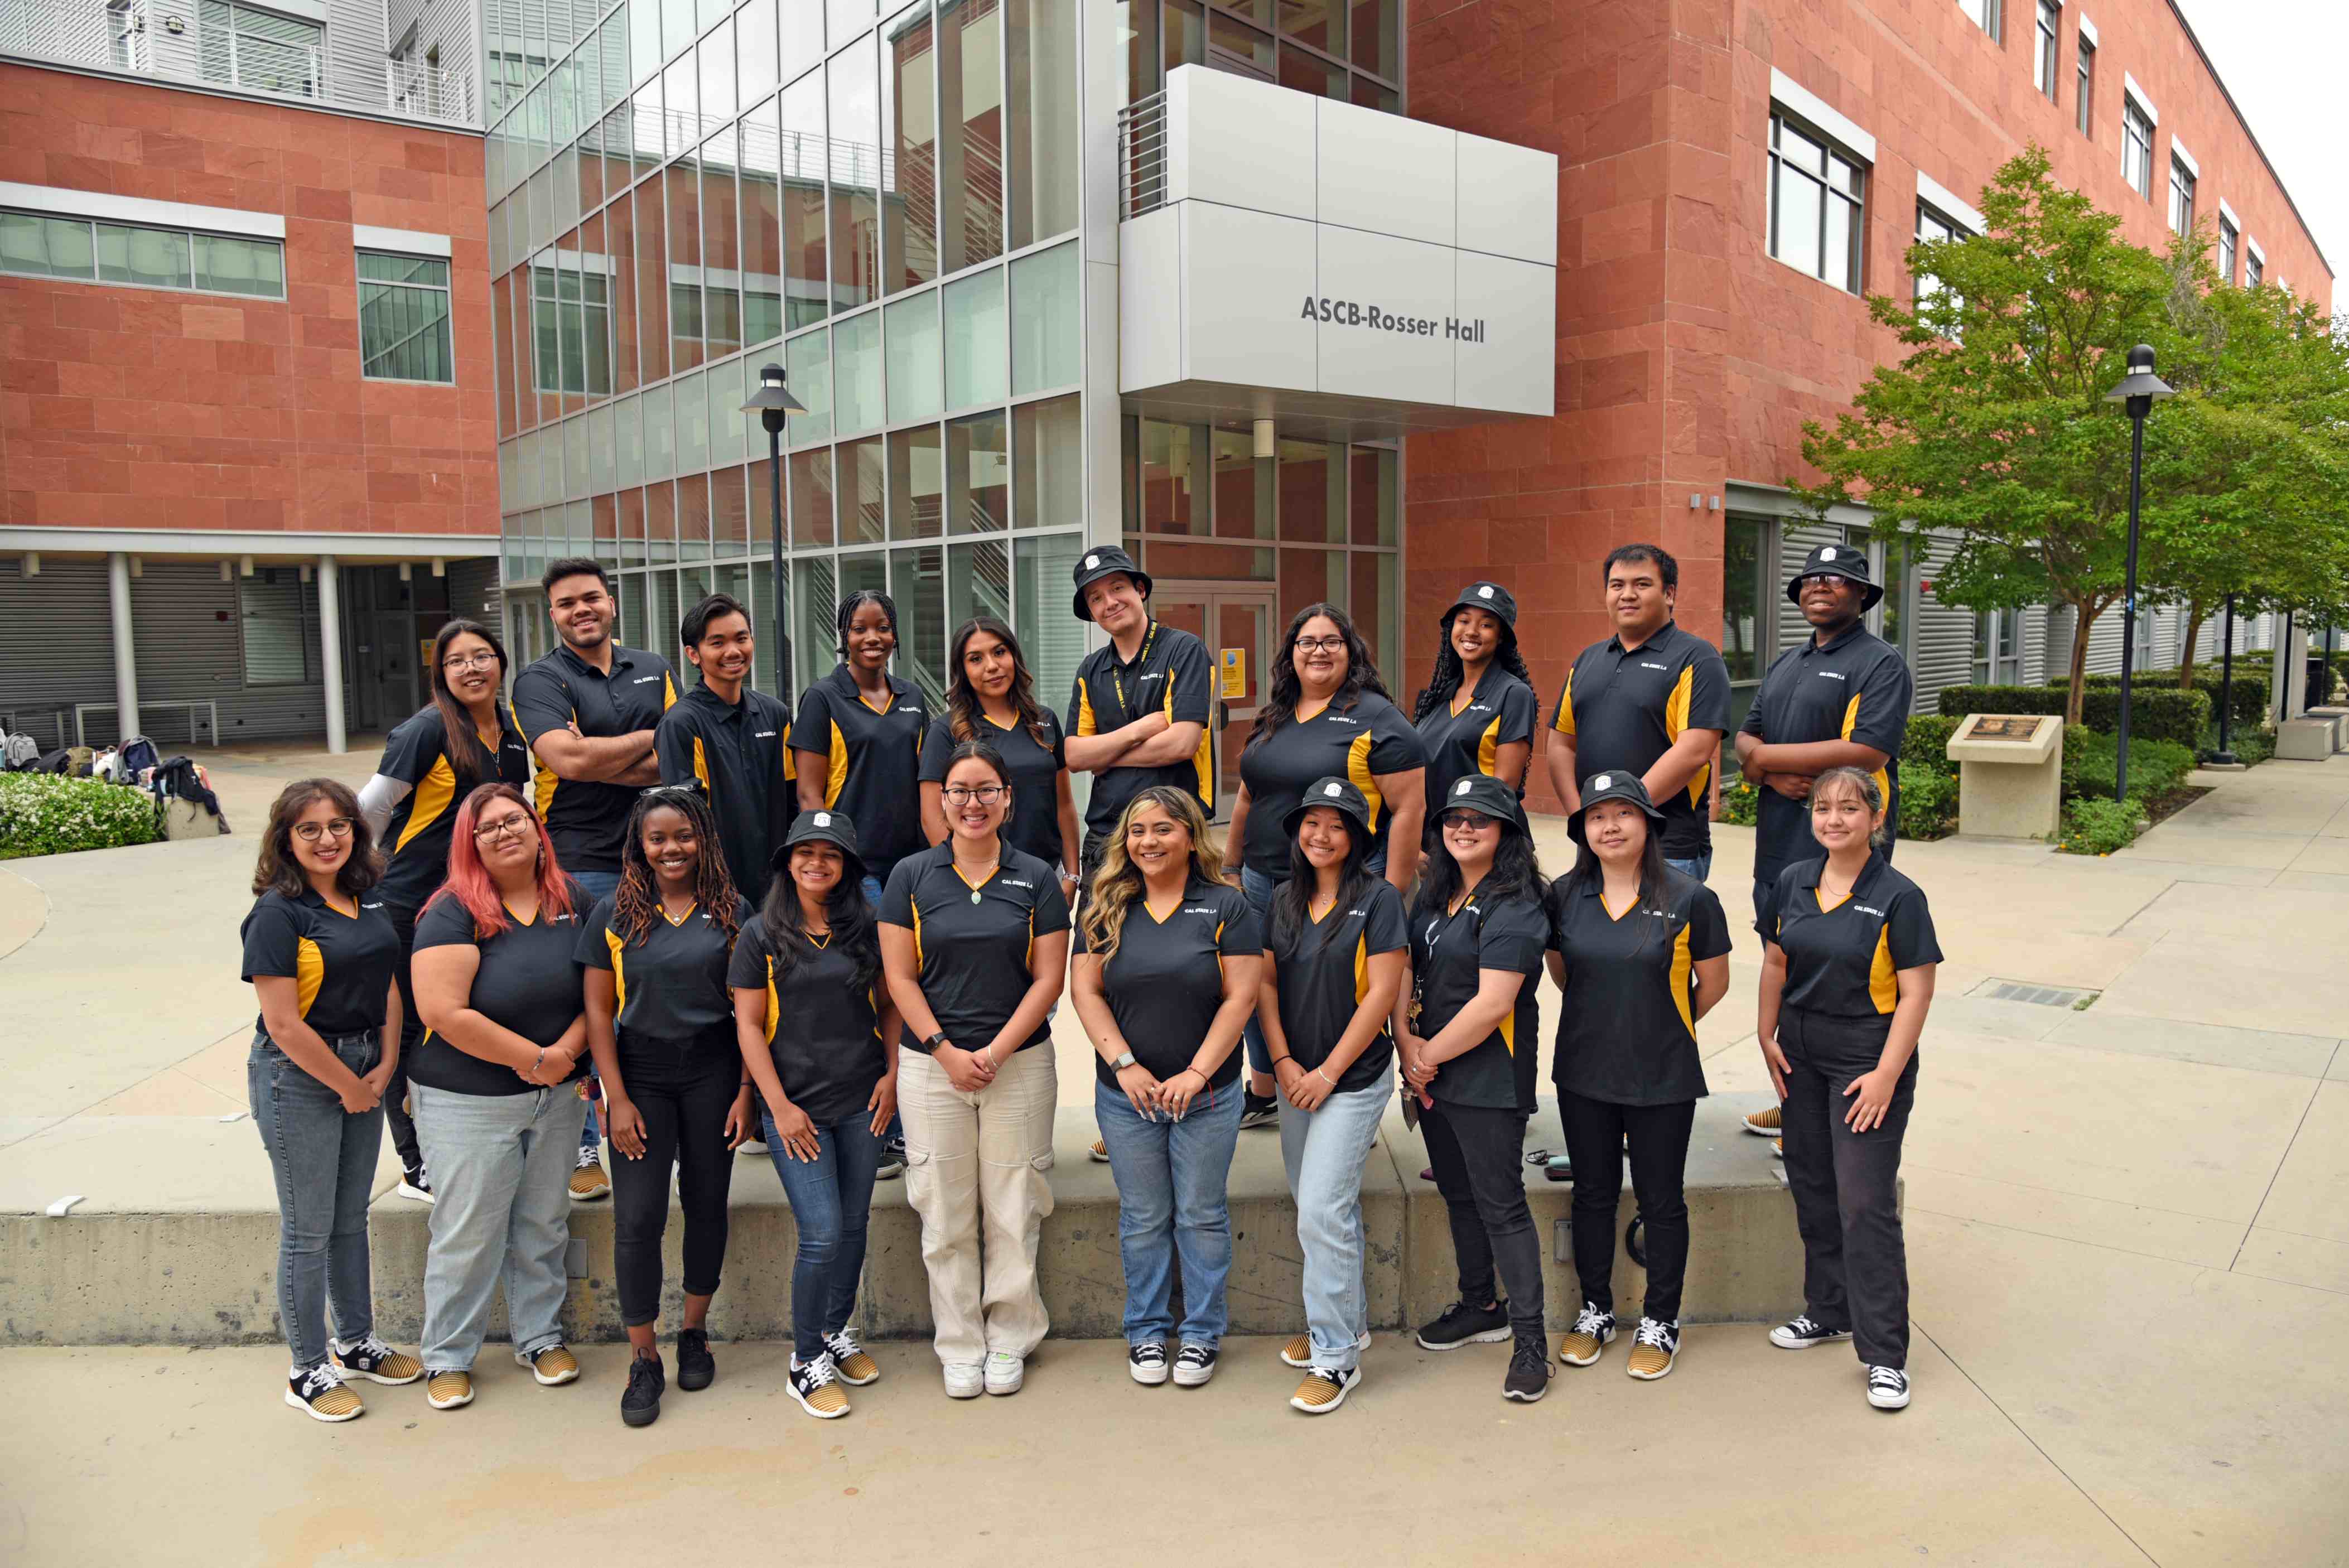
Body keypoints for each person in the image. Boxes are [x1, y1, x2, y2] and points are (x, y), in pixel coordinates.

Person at [879, 740, 1071, 1400]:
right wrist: (945, 1051)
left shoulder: (1036, 877)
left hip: (1017, 1065)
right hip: (932, 1069)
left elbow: (1049, 979)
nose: (972, 803)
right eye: (959, 790)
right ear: (941, 799)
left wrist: (992, 1052)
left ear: (1007, 799)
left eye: (986, 790)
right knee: (943, 1211)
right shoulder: (910, 876)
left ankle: (1009, 1340)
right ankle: (959, 1345)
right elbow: (898, 978)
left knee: (1015, 1207)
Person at [1757, 766, 1940, 1412]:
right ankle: (1827, 1310)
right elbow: (1776, 961)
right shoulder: (1791, 880)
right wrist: (1764, 1033)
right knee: (1811, 1185)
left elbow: (1916, 989)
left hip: (1866, 1057)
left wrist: (1887, 1074)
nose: (1833, 820)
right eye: (1822, 809)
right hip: (1799, 1055)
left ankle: (1885, 1354)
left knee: (1863, 1201)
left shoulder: (1897, 895)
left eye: (1848, 809)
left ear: (1874, 817)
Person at [408, 783, 591, 1412]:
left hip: (557, 1095)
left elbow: (605, 992)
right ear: (471, 844)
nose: (505, 832)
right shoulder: (452, 911)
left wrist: (564, 1054)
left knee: (544, 1221)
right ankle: (448, 1357)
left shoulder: (575, 900)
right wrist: (535, 1060)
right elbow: (442, 1011)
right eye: (487, 828)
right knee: (468, 1229)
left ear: (538, 828)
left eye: (515, 819)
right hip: (468, 1099)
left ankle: (539, 1338)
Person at [1544, 772, 1732, 1382]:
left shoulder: (1689, 897)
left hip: (1662, 1073)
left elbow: (1714, 984)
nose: (1609, 826)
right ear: (1584, 831)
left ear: (1647, 824)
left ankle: (1660, 1321)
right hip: (1583, 1070)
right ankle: (1594, 1310)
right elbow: (1561, 970)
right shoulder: (1564, 895)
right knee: (1592, 1194)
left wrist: (1656, 1022)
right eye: (1597, 817)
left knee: (1660, 1200)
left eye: (1623, 813)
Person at [241, 779, 419, 1421]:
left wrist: (388, 1063)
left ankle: (357, 1343)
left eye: (339, 825)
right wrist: (348, 1086)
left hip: (368, 1066)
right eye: (309, 828)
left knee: (350, 1219)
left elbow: (390, 985)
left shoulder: (365, 896)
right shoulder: (277, 913)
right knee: (308, 1229)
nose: (327, 839)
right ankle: (307, 1369)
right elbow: (283, 1024)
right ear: (285, 839)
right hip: (299, 1078)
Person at [1070, 787, 1259, 1390]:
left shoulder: (1228, 907)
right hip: (1127, 1099)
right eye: (1137, 831)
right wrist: (1124, 1065)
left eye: (1163, 830)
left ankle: (1201, 1334)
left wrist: (1197, 1073)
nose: (1148, 842)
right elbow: (1086, 992)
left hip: (1205, 1096)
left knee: (1200, 1216)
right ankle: (1147, 1331)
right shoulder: (1105, 907)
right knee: (1144, 1216)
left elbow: (1240, 998)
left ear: (1190, 837)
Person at [578, 787, 754, 1429]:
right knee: (639, 1217)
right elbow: (598, 1011)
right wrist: (613, 1095)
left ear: (702, 838)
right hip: (642, 1076)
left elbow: (748, 1010)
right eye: (658, 838)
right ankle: (643, 1356)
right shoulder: (615, 915)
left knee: (707, 1203)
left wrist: (744, 1091)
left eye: (683, 835)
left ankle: (693, 1333)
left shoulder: (731, 910)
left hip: (712, 1070)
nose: (671, 848)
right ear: (639, 846)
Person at [512, 558, 679, 1201]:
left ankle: (649, 1119)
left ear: (611, 604)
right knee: (584, 998)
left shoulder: (655, 668)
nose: (580, 610)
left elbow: (676, 755)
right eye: (566, 604)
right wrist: (636, 744)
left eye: (590, 599)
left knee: (655, 988)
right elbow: (564, 760)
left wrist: (595, 756)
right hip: (577, 855)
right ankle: (585, 1140)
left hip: (656, 850)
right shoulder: (539, 680)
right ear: (552, 615)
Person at [1734, 544, 1912, 1146]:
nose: (1819, 587)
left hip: (1841, 854)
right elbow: (1743, 735)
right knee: (1784, 972)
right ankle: (1794, 1106)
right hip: (1779, 853)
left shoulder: (1877, 663)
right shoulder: (1786, 662)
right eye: (1810, 579)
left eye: (1836, 580)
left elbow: (1866, 751)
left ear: (1861, 595)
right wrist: (1762, 769)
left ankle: (1844, 1112)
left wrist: (1760, 761)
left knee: (1842, 981)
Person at [1228, 604, 1425, 1131]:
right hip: (1262, 877)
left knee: (1339, 988)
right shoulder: (1276, 713)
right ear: (1290, 654)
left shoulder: (1376, 716)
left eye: (1330, 641)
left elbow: (1409, 808)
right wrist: (1230, 864)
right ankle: (1267, 1084)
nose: (1318, 651)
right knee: (1260, 983)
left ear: (1351, 650)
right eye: (1306, 641)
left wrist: (1388, 891)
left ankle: (1338, 1085)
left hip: (1342, 879)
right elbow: (1248, 794)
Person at [356, 619, 533, 1206]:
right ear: (441, 673)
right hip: (410, 904)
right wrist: (364, 880)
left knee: (460, 1019)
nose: (472, 669)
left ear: (501, 664)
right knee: (405, 1031)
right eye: (457, 661)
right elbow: (369, 812)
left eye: (483, 656)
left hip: (475, 904)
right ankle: (416, 1166)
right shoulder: (427, 730)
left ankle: (456, 1142)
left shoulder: (510, 735)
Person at [732, 810, 901, 1420]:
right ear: (787, 863)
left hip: (860, 1102)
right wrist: (777, 1109)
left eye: (830, 855)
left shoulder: (865, 929)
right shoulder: (760, 935)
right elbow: (748, 1026)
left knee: (854, 1225)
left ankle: (834, 1332)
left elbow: (889, 1008)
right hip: (796, 1111)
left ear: (847, 868)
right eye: (804, 852)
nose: (816, 863)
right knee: (823, 1231)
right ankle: (804, 1361)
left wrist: (892, 1076)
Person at [1393, 774, 1551, 1403]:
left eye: (1479, 820)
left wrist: (1424, 1054)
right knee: (1458, 1193)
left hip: (1487, 1076)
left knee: (1500, 1203)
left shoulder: (1516, 903)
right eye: (1453, 819)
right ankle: (1478, 1303)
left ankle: (1530, 1340)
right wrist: (1406, 1046)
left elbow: (1493, 1004)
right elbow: (1403, 965)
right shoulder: (1434, 895)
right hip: (1431, 1071)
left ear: (1506, 833)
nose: (1463, 828)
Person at [1255, 777, 1407, 1416]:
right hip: (1295, 1078)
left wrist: (1326, 1073)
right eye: (1309, 822)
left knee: (1320, 1207)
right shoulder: (1283, 900)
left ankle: (1336, 1357)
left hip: (1351, 1079)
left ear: (1356, 838)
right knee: (1319, 1206)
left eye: (1336, 824)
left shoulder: (1378, 901)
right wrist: (1287, 1063)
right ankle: (1345, 1321)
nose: (1320, 835)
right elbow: (1263, 987)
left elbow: (1380, 994)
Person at [1545, 543, 1730, 884]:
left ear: (1669, 593)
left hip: (1668, 849)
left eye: (1642, 585)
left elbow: (1694, 751)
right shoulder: (1587, 660)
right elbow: (1560, 744)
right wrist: (1583, 820)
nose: (1627, 595)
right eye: (1617, 585)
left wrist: (1624, 816)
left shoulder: (1698, 658)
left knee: (1662, 939)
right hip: (1596, 845)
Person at [1062, 544, 1215, 891]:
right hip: (1107, 835)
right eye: (1096, 598)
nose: (1110, 602)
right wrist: (1141, 729)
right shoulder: (1091, 669)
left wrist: (1106, 757)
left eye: (1118, 588)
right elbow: (1074, 756)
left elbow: (1182, 743)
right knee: (1095, 943)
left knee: (1173, 943)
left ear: (1140, 590)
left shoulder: (1185, 650)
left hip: (1175, 832)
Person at [922, 615, 1082, 911]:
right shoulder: (946, 731)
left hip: (1047, 877)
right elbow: (933, 818)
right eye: (976, 659)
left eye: (999, 652)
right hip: (980, 882)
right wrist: (965, 878)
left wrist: (1072, 874)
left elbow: (1064, 805)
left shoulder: (1044, 720)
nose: (992, 666)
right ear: (963, 671)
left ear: (1014, 656)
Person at [656, 592, 796, 906]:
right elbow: (686, 819)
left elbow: (794, 798)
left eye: (741, 638)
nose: (733, 651)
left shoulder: (775, 713)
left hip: (779, 887)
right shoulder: (682, 723)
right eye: (717, 643)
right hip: (717, 891)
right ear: (694, 655)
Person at [794, 589, 929, 899]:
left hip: (911, 860)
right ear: (845, 636)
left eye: (883, 628)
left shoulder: (913, 696)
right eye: (860, 629)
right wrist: (828, 855)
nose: (873, 638)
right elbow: (809, 793)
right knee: (868, 946)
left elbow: (926, 778)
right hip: (856, 863)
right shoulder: (822, 698)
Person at [1411, 582, 1538, 807]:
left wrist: (1463, 832)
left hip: (1474, 832)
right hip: (1431, 834)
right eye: (1464, 621)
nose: (1471, 631)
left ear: (1501, 637)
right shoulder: (1436, 696)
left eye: (1486, 624)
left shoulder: (1514, 694)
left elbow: (1504, 785)